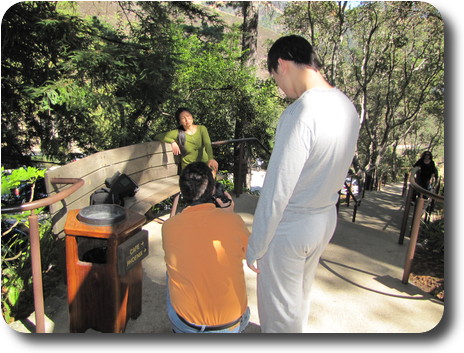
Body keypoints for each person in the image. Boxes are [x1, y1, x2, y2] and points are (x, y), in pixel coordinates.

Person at [245, 35, 360, 333]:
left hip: (290, 228)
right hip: (324, 219)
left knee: (279, 317)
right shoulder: (347, 106)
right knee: (298, 303)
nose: (280, 90)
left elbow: (276, 191)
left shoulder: (300, 113)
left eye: (274, 79)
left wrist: (256, 245)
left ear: (282, 64)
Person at [161, 161, 250, 333]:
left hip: (187, 324)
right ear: (212, 191)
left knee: (171, 271)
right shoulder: (233, 222)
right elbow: (249, 255)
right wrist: (229, 215)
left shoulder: (169, 227)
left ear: (183, 192)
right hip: (229, 325)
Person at [155, 107, 218, 172]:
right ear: (180, 122)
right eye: (183, 118)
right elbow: (157, 136)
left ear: (192, 117)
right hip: (189, 168)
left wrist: (211, 159)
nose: (187, 119)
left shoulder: (202, 129)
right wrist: (172, 142)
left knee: (212, 173)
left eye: (188, 116)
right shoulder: (177, 133)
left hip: (204, 164)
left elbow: (207, 144)